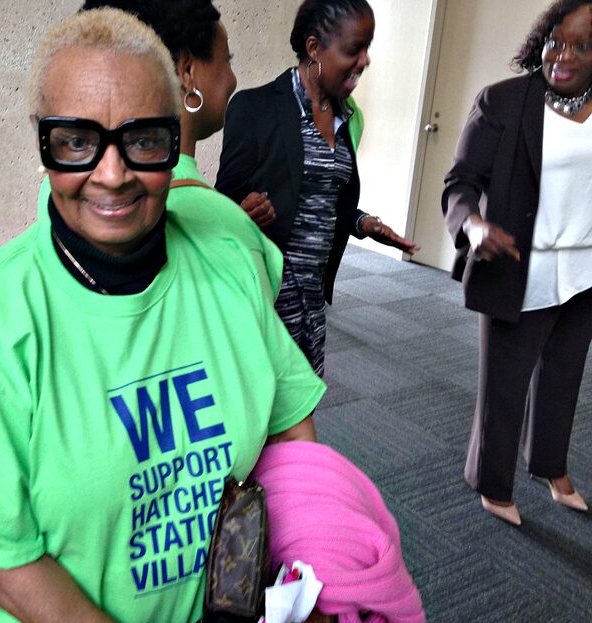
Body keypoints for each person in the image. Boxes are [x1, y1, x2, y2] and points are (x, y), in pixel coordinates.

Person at [0, 8, 327, 623]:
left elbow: (291, 433)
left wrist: (303, 572)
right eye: (76, 141)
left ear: (174, 138)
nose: (112, 174)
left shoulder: (226, 261)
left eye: (144, 139)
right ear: (42, 142)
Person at [442, 0, 592, 526]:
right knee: (503, 387)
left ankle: (549, 466)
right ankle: (492, 482)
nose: (563, 55)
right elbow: (460, 183)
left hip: (584, 273)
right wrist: (472, 225)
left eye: (581, 45)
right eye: (555, 40)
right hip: (518, 267)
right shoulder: (504, 103)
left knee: (564, 378)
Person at [216, 0, 419, 376]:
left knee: (303, 402)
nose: (364, 60)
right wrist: (241, 214)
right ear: (314, 48)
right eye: (353, 49)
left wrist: (363, 224)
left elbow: (323, 197)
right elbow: (222, 207)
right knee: (263, 412)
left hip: (313, 298)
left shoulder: (347, 117)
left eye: (367, 48)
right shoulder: (255, 108)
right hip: (267, 296)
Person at [37, 0, 283, 301]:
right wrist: (233, 229)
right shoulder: (234, 235)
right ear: (187, 70)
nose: (112, 177)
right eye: (227, 59)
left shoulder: (56, 192)